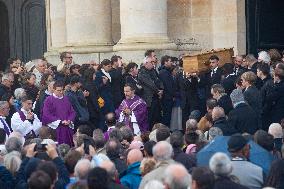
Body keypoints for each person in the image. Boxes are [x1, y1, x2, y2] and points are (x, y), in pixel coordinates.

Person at [42, 80, 76, 146]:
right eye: (58, 90)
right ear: (54, 90)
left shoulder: (66, 99)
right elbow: (47, 115)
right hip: (56, 129)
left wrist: (69, 120)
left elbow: (72, 112)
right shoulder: (48, 100)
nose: (61, 92)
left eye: (62, 90)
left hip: (67, 127)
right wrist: (60, 121)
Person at [138, 56, 163, 129]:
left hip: (156, 98)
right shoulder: (142, 73)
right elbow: (150, 84)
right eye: (151, 62)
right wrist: (158, 91)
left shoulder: (153, 71)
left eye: (154, 62)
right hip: (149, 100)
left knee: (157, 118)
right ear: (145, 63)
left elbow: (159, 81)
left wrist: (161, 89)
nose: (153, 64)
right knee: (150, 119)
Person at [159, 55, 176, 127]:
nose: (171, 63)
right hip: (167, 98)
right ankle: (165, 132)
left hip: (167, 97)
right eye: (170, 61)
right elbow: (169, 86)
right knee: (166, 117)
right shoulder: (164, 72)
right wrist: (173, 95)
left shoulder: (165, 71)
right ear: (165, 62)